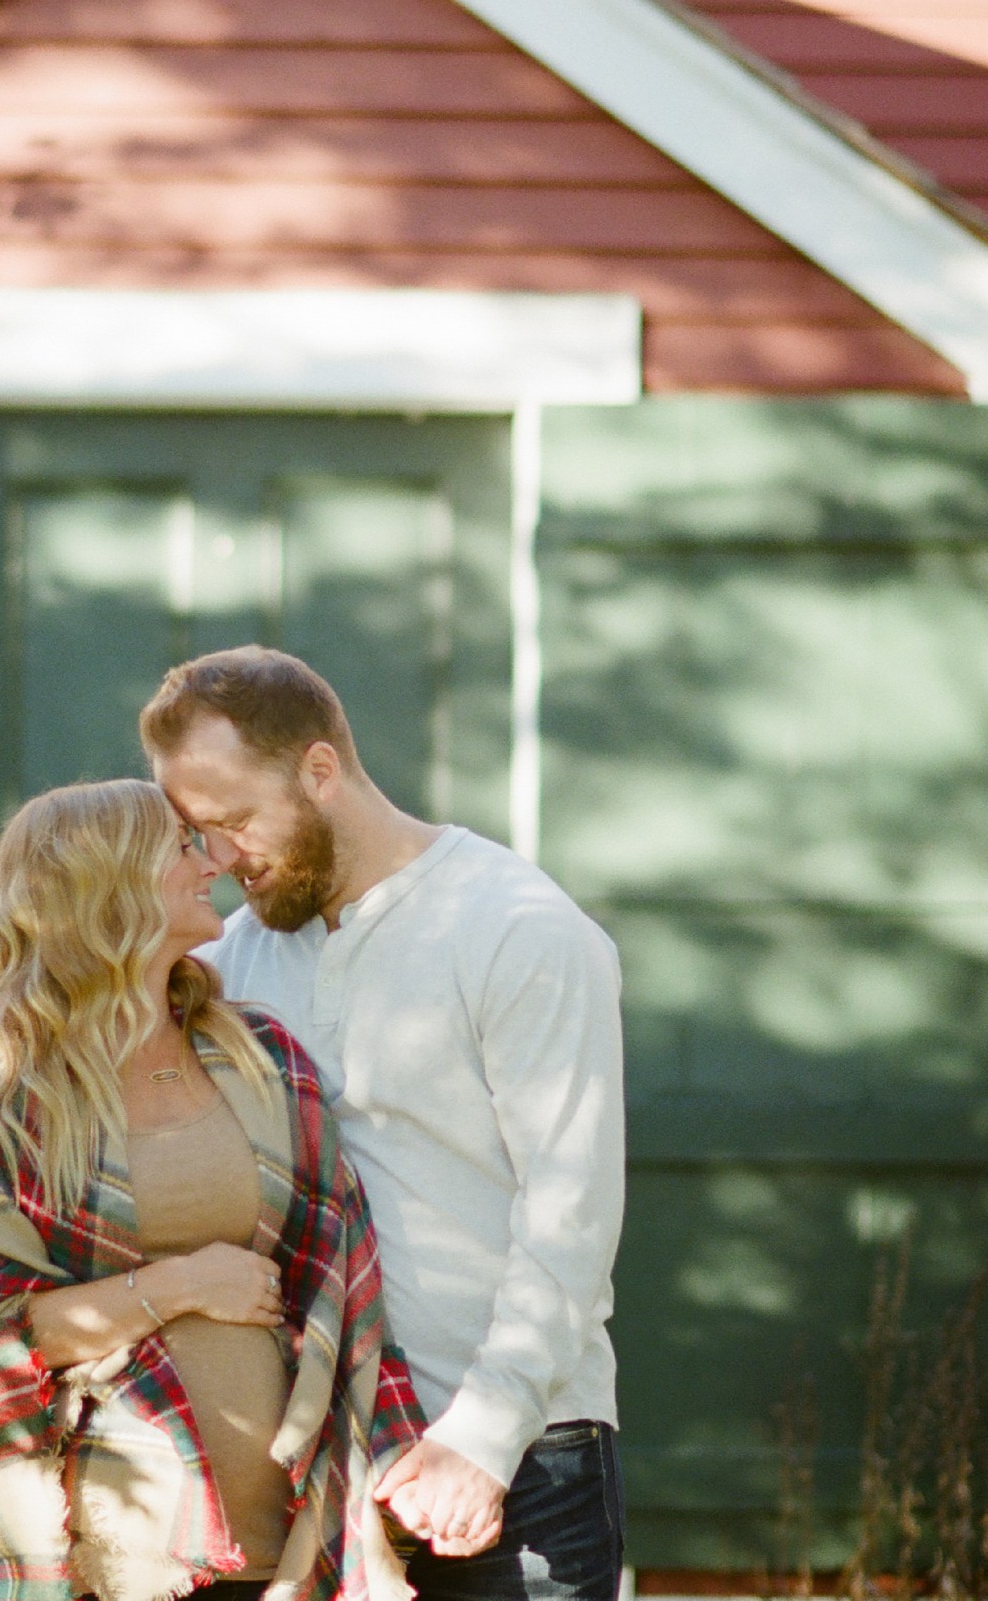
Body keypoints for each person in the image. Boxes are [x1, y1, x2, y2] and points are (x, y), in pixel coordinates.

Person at [140, 649, 626, 1601]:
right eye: (200, 834)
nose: (226, 858)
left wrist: (480, 1440)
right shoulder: (230, 962)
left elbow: (569, 1216)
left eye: (237, 820)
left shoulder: (518, 928)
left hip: (517, 1458)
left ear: (319, 772)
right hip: (318, 1474)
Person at [0, 777, 426, 1601]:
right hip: (120, 1558)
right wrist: (179, 1285)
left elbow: (345, 1291)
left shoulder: (260, 1056)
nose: (215, 862)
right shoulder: (12, 1095)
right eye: (184, 846)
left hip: (294, 1540)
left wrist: (370, 1491)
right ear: (110, 883)